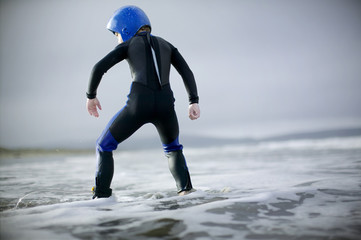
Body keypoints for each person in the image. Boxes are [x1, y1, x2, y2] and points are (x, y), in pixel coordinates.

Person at [86, 5, 200, 199]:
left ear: (125, 29)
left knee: (104, 146)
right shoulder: (167, 45)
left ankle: (102, 198)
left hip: (139, 105)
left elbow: (98, 67)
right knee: (173, 149)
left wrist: (91, 96)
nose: (117, 39)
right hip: (166, 106)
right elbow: (186, 72)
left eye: (116, 34)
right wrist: (193, 101)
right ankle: (187, 192)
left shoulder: (128, 45)